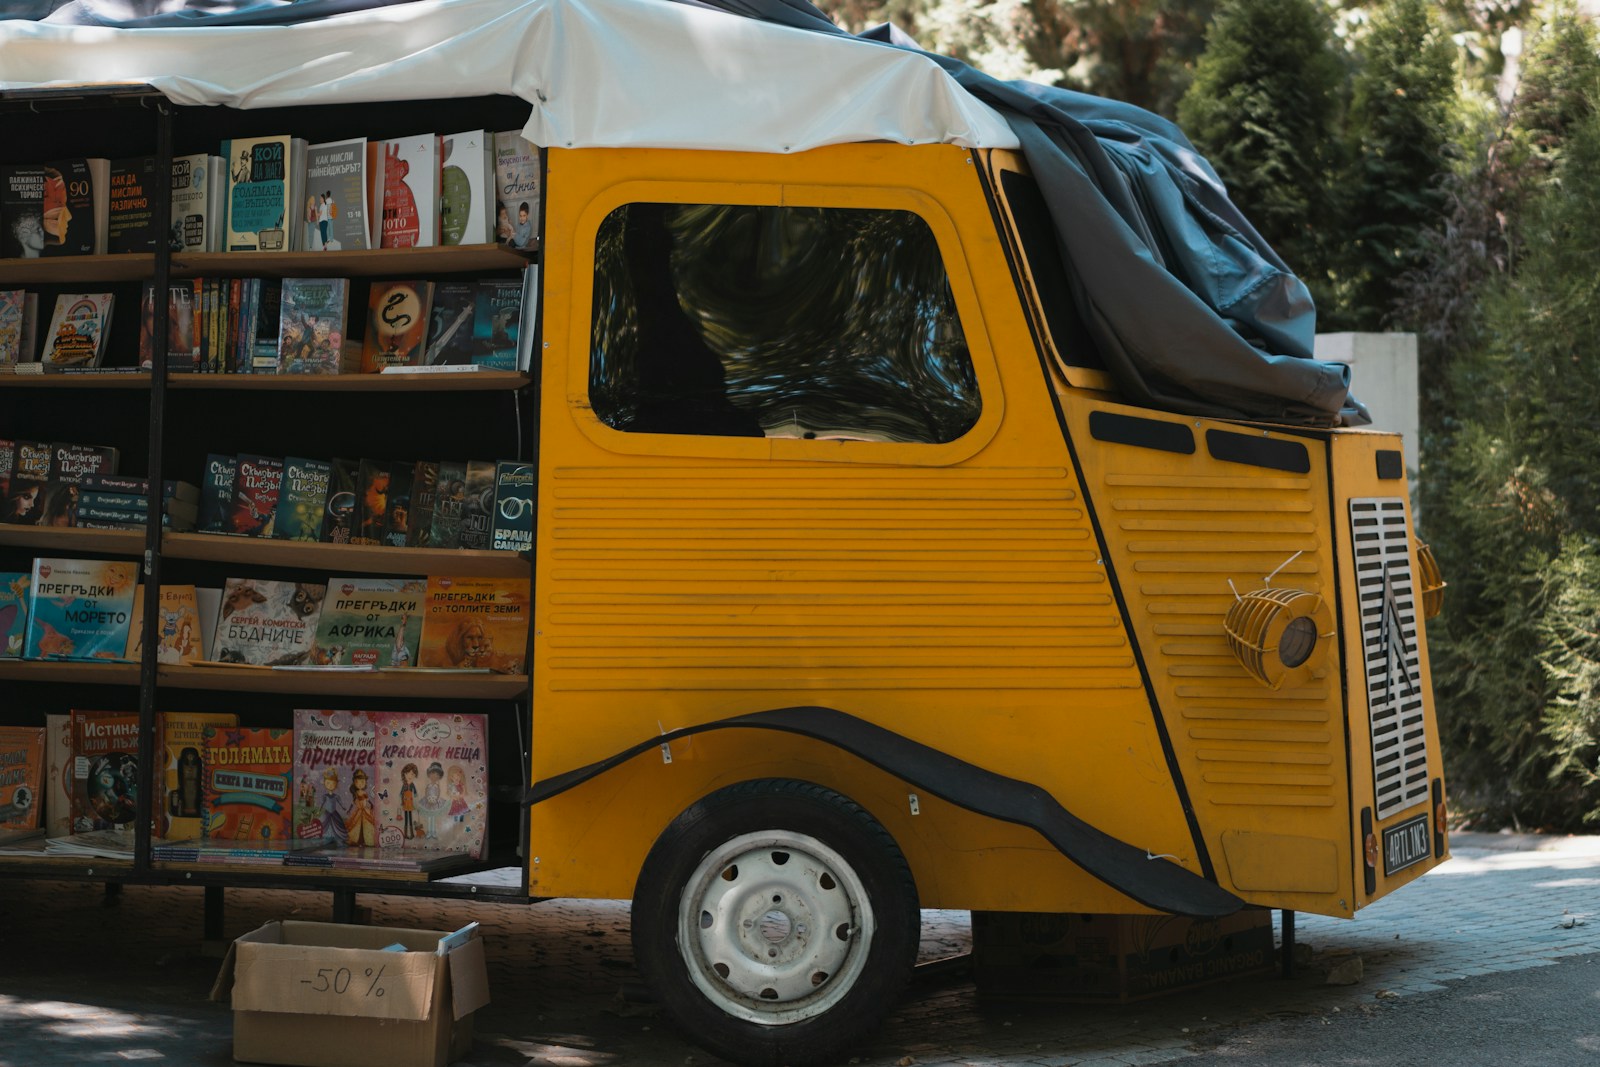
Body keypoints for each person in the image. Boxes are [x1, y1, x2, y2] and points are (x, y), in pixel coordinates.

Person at [399, 762, 419, 839]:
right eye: (408, 773)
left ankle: (411, 833)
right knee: (406, 819)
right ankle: (405, 834)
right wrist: (401, 796)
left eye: (413, 774)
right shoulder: (404, 784)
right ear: (404, 774)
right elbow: (401, 792)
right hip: (405, 802)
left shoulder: (412, 784)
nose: (410, 776)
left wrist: (416, 795)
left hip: (410, 803)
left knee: (410, 818)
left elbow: (415, 792)